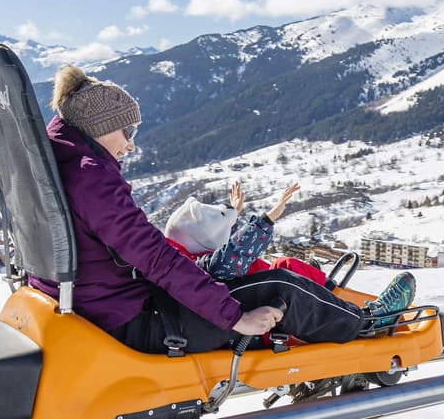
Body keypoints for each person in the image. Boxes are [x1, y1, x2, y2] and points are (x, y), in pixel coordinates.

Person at [32, 65, 415, 355]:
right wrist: (236, 318)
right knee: (279, 287)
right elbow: (155, 258)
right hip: (130, 322)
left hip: (100, 308)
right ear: (100, 126)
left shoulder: (55, 163)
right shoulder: (92, 179)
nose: (131, 145)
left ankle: (338, 314)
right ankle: (369, 324)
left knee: (233, 279)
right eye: (127, 132)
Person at [163, 179, 327, 286]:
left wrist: (232, 214)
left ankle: (317, 280)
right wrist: (267, 219)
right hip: (266, 303)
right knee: (285, 267)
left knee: (287, 268)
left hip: (261, 292)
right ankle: (329, 292)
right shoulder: (200, 268)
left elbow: (220, 243)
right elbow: (231, 256)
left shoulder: (183, 259)